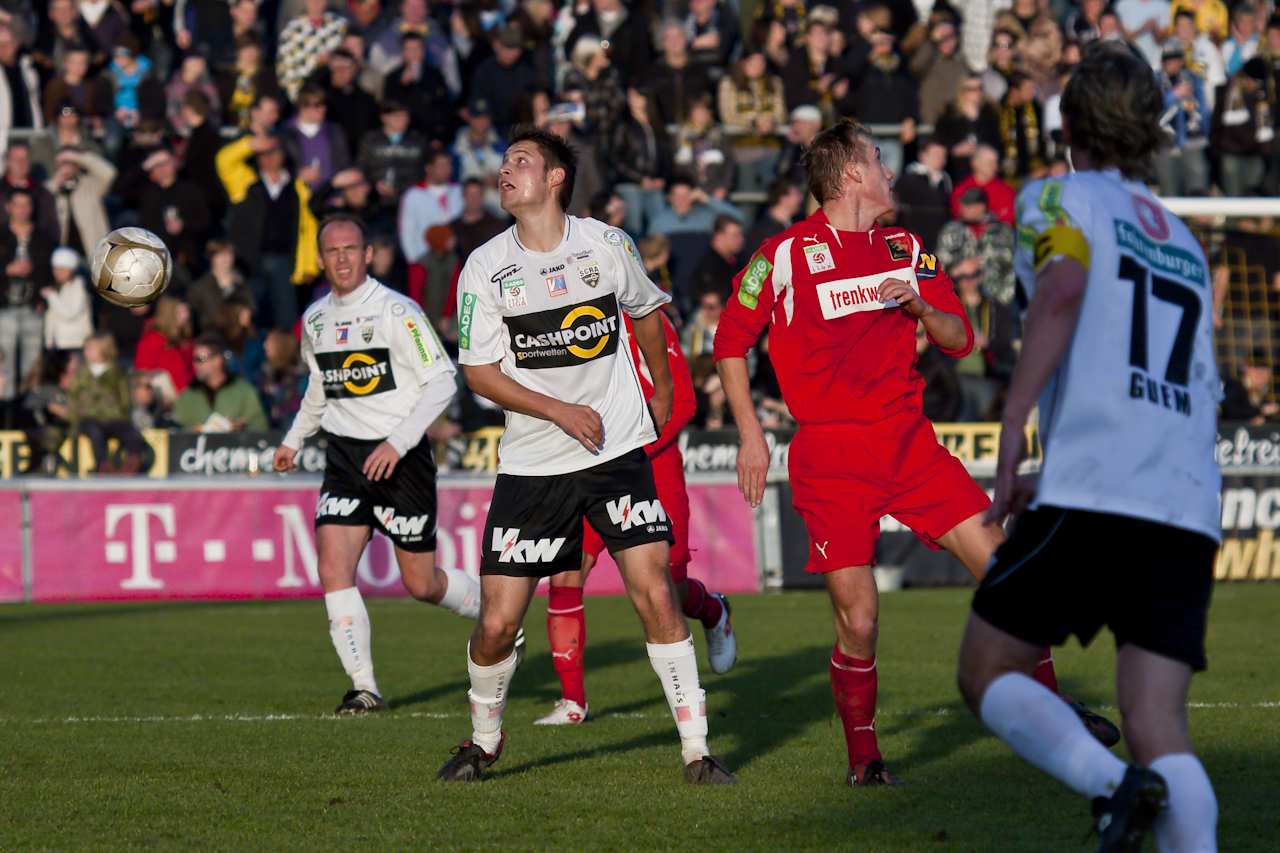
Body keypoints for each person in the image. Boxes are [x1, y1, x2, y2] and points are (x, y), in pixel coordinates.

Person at [713, 119, 1114, 788]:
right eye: (877, 159)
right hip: (831, 455)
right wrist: (751, 434)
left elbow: (960, 338)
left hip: (909, 444)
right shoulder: (781, 254)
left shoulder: (905, 246)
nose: (889, 171)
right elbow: (730, 341)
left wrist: (923, 310)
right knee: (860, 621)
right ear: (850, 177)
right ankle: (865, 758)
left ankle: (1051, 707)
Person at [956, 42, 1223, 853]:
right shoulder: (1183, 236)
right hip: (1182, 497)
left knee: (986, 669)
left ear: (1067, 123)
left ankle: (1112, 788)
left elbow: (1064, 289)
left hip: (1101, 486)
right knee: (1156, 720)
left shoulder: (1054, 197)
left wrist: (1013, 428)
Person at [442, 125, 735, 784]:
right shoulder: (484, 266)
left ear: (554, 180)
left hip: (616, 454)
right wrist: (558, 411)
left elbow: (648, 311)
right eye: (504, 160)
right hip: (534, 463)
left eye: (523, 161)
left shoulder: (606, 243)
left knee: (655, 593)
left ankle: (697, 750)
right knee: (496, 623)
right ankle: (484, 741)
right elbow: (480, 373)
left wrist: (658, 390)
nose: (506, 169)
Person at [273, 213, 495, 714]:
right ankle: (364, 687)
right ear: (320, 259)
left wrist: (397, 442)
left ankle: (499, 619)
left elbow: (442, 380)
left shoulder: (399, 312)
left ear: (369, 254)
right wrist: (293, 439)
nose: (343, 258)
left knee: (420, 583)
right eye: (332, 251)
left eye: (352, 248)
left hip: (402, 459)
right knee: (333, 567)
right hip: (346, 459)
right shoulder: (314, 319)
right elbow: (318, 387)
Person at [535, 309, 737, 725]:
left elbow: (681, 402)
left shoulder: (646, 316)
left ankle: (713, 610)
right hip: (589, 464)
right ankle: (573, 703)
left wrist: (628, 453)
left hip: (651, 465)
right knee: (565, 574)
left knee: (669, 592)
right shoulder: (564, 314)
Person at [174, 333, 268, 432]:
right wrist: (191, 432)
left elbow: (260, 425)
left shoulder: (243, 391)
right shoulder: (188, 395)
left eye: (201, 358)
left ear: (217, 360)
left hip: (233, 446)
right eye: (193, 359)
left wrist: (241, 429)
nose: (195, 364)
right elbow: (176, 429)